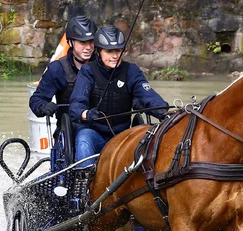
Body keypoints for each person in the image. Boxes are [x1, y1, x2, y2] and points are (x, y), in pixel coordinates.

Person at [68, 25, 169, 167]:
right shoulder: (88, 71)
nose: (115, 56)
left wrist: (166, 113)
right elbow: (75, 106)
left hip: (124, 136)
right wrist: (87, 114)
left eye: (118, 51)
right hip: (95, 133)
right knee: (83, 139)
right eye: (109, 51)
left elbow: (149, 97)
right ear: (98, 51)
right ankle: (84, 184)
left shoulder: (132, 71)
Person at [29, 16, 97, 129]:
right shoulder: (57, 69)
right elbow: (36, 99)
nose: (88, 47)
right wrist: (43, 106)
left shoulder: (104, 66)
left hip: (101, 128)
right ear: (70, 42)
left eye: (91, 42)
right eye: (82, 42)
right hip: (68, 131)